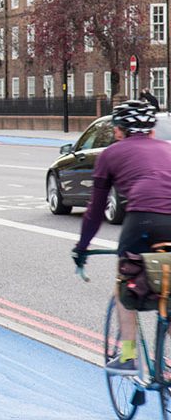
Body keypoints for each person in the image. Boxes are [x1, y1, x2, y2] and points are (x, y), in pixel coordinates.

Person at [72, 99, 171, 374]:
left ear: (118, 130)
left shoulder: (110, 154)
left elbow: (94, 211)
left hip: (143, 221)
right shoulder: (169, 149)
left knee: (125, 284)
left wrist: (82, 248)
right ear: (152, 129)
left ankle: (128, 357)